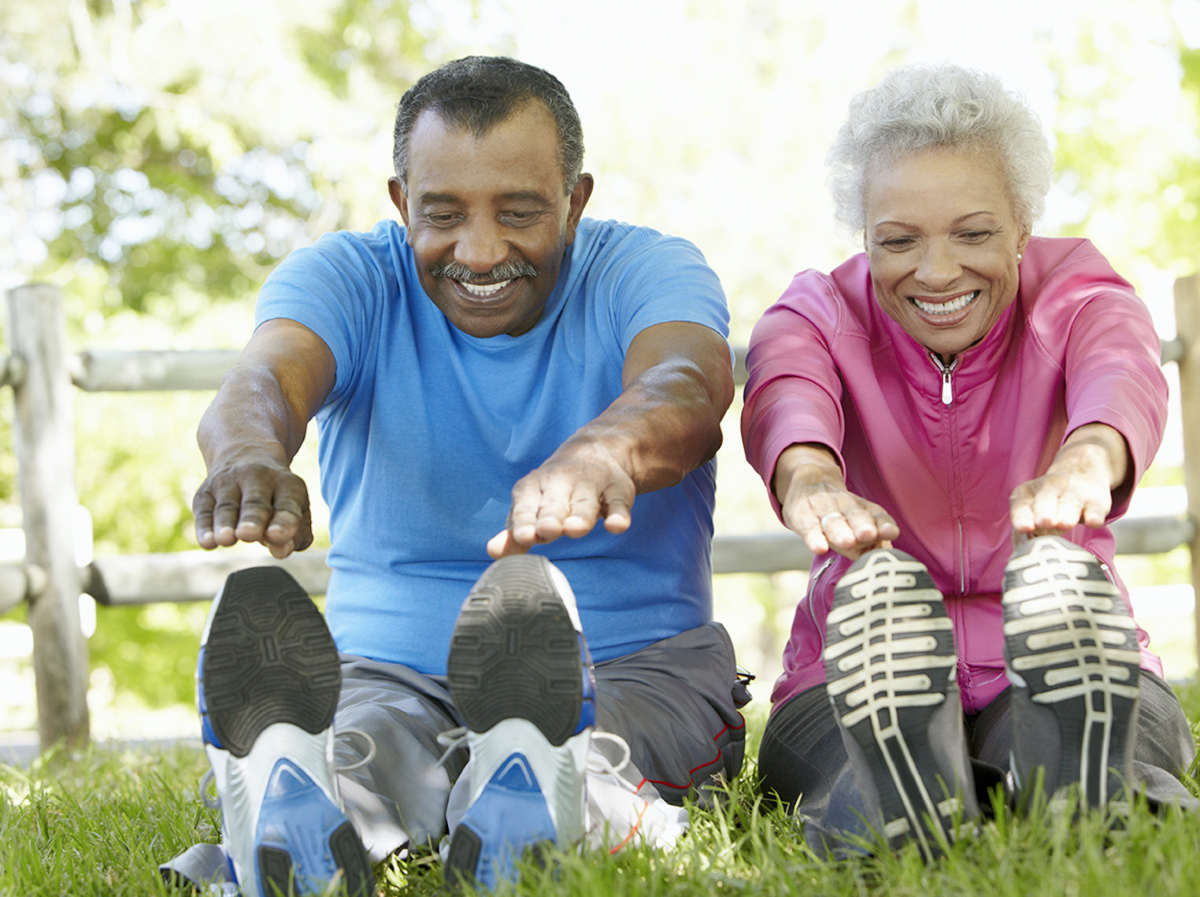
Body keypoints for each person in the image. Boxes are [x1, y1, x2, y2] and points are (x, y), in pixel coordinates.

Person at [161, 56, 749, 896]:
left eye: (519, 213)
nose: (481, 251)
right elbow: (265, 379)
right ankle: (307, 797)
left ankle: (546, 779)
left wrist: (608, 449)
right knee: (366, 745)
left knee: (596, 749)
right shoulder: (348, 277)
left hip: (629, 661)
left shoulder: (648, 270)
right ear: (401, 202)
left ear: (575, 201)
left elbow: (688, 385)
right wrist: (250, 453)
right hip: (389, 668)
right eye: (442, 214)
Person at [741, 63, 1196, 861]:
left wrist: (1090, 455)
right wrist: (809, 474)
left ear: (1024, 225)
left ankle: (1049, 779)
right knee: (851, 767)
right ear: (865, 236)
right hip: (850, 671)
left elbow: (1119, 365)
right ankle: (964, 790)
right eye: (899, 240)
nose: (938, 270)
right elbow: (786, 386)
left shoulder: (1076, 293)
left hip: (1059, 647)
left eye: (974, 233)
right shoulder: (819, 311)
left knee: (1087, 732)